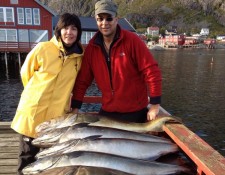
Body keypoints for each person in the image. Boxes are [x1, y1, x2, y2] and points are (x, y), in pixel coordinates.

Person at [11, 13, 83, 175]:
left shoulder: (79, 57)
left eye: (74, 29)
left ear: (79, 32)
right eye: (65, 28)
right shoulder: (43, 48)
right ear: (59, 30)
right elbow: (26, 73)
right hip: (33, 112)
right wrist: (34, 95)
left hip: (56, 117)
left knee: (51, 159)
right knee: (27, 156)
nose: (69, 32)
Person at [71, 0, 162, 123]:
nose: (104, 23)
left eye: (109, 18)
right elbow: (83, 81)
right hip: (107, 112)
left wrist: (155, 104)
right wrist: (75, 108)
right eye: (100, 19)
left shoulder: (132, 41)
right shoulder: (92, 48)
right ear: (96, 20)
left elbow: (151, 71)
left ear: (116, 19)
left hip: (135, 112)